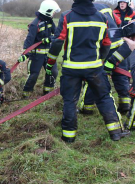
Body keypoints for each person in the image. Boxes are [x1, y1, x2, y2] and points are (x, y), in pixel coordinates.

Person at [46, 0, 128, 142]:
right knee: (104, 97)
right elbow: (107, 44)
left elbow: (58, 42)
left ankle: (68, 137)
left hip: (71, 69)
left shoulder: (67, 16)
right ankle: (115, 132)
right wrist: (100, 61)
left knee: (70, 101)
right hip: (94, 67)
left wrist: (50, 63)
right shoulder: (102, 17)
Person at [78, 3, 131, 115]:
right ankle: (125, 105)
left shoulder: (85, 10)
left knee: (93, 77)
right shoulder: (104, 6)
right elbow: (118, 22)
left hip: (105, 47)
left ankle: (87, 108)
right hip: (119, 45)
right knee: (121, 77)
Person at [19, 0, 60, 98]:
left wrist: (49, 39)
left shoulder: (50, 21)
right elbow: (29, 41)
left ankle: (47, 92)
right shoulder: (35, 24)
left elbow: (57, 35)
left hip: (48, 55)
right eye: (53, 11)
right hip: (37, 56)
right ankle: (26, 94)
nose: (54, 14)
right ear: (48, 11)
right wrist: (26, 54)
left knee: (53, 72)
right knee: (34, 75)